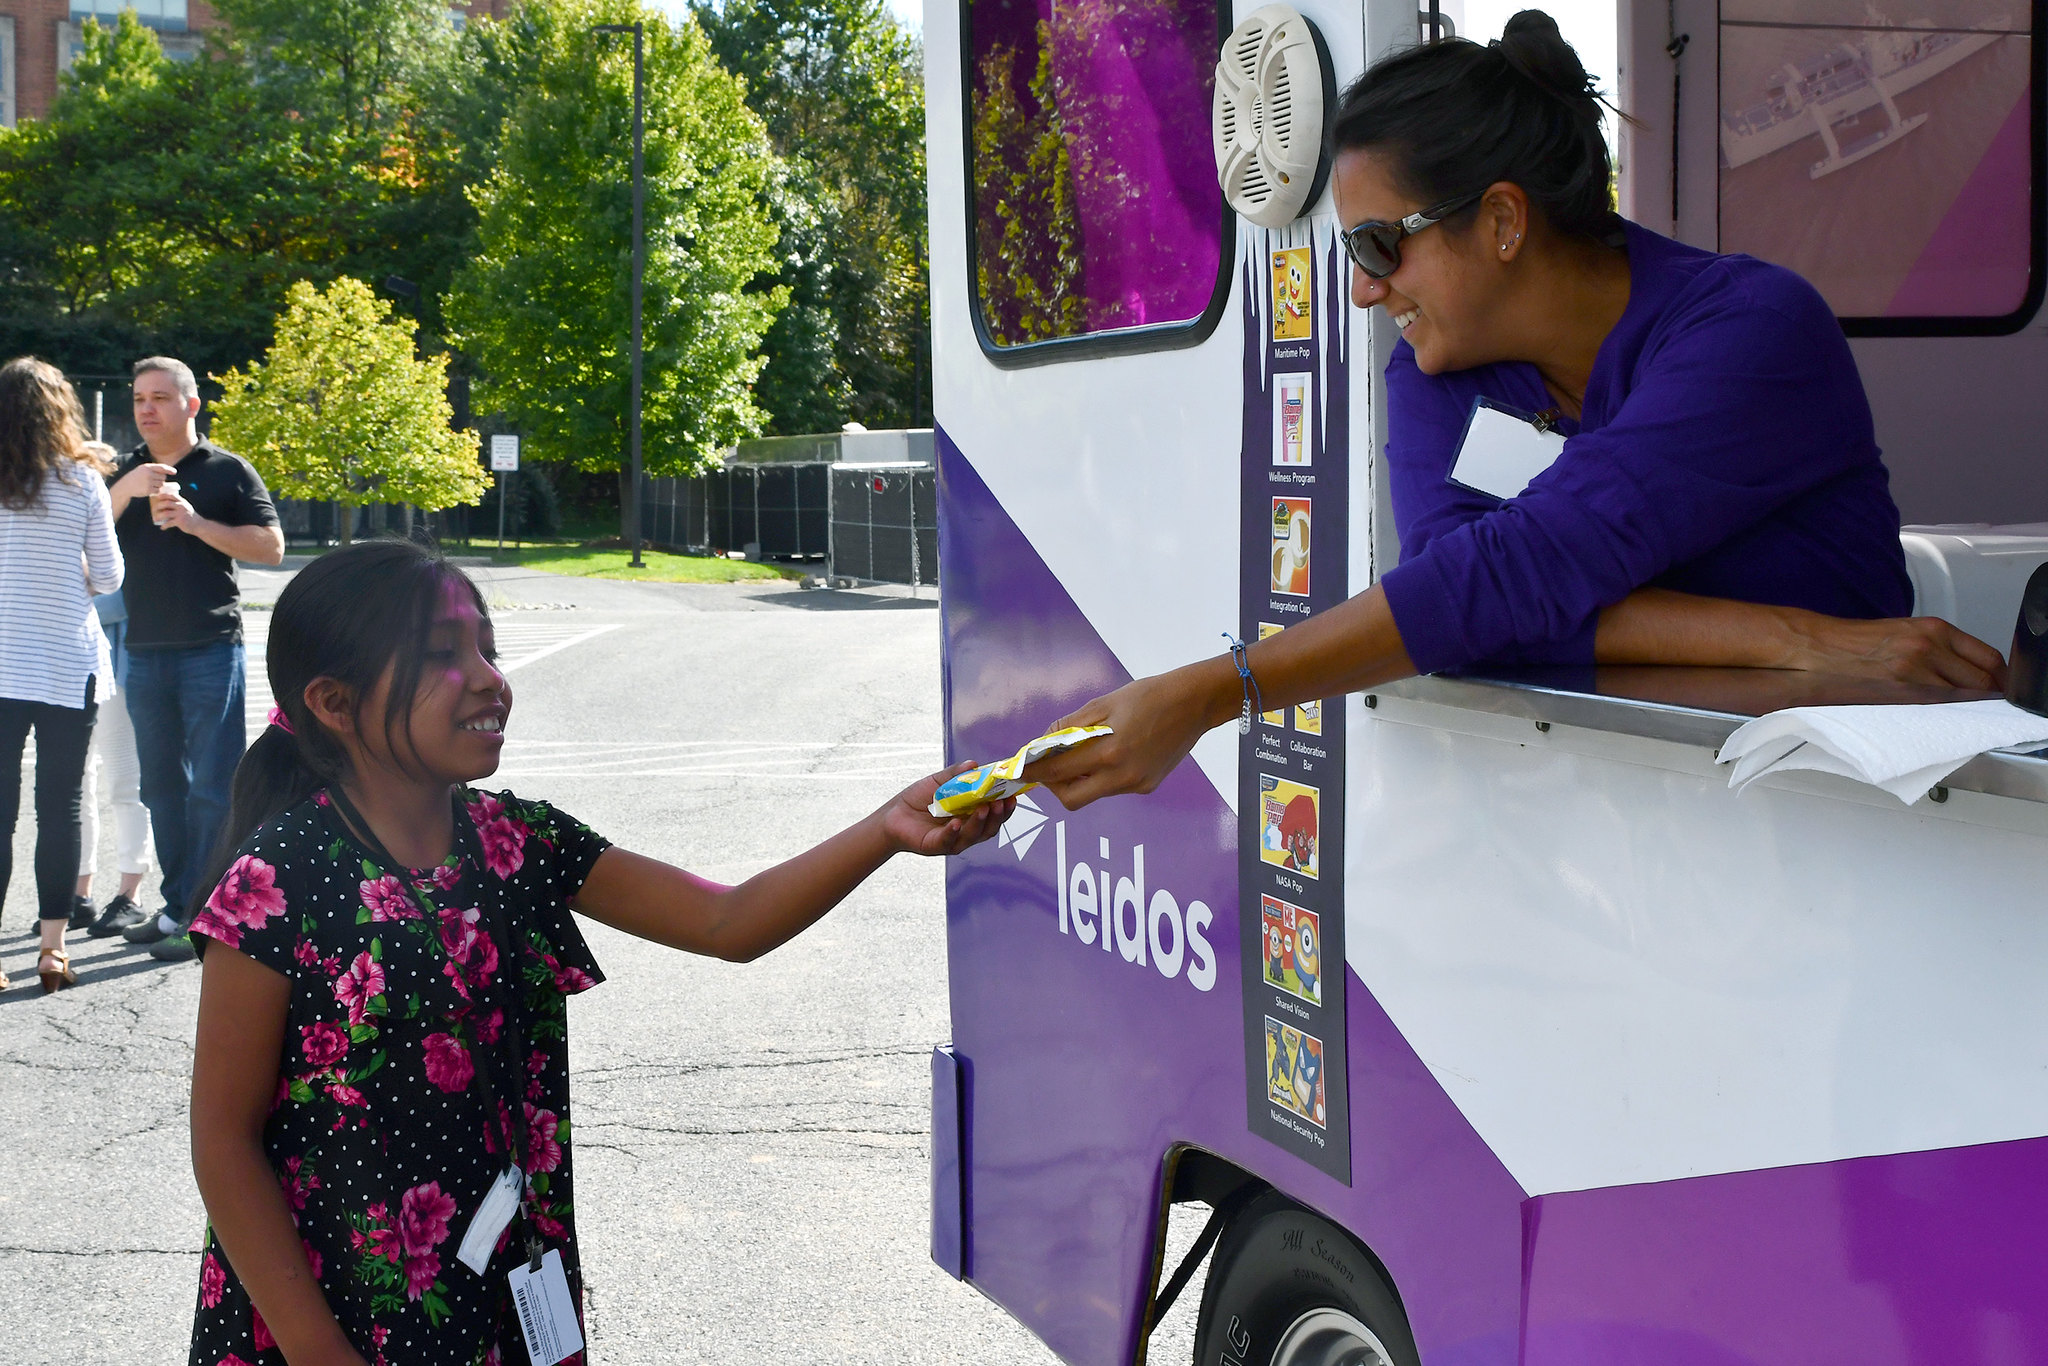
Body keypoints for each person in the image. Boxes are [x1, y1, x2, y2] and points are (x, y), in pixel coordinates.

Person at [1029, 12, 2008, 811]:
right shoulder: (1437, 367)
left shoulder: (1748, 331)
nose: (1365, 292)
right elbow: (1465, 596)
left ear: (1499, 221)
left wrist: (1213, 693)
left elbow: (1518, 572)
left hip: (1854, 808)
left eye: (1375, 248)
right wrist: (1789, 637)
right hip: (1632, 820)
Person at [184, 538, 1009, 1364]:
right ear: (333, 701)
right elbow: (223, 1138)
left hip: (506, 1292)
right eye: (441, 655)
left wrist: (887, 830)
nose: (487, 678)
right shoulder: (277, 882)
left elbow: (730, 922)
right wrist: (317, 1349)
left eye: (487, 648)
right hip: (328, 1317)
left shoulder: (517, 840)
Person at [104, 356, 284, 961]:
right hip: (145, 650)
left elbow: (271, 547)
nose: (146, 408)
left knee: (211, 788)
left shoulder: (226, 470)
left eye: (159, 397)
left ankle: (206, 913)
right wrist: (124, 489)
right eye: (138, 399)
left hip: (211, 645)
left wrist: (197, 522)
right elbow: (84, 533)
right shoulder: (124, 474)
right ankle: (178, 904)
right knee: (160, 788)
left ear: (191, 404)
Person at [0, 359, 124, 994]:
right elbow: (108, 578)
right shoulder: (82, 483)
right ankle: (51, 950)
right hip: (64, 665)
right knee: (61, 807)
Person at [76, 445, 154, 935]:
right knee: (74, 781)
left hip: (120, 650)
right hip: (70, 654)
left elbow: (110, 581)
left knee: (127, 778)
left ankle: (130, 891)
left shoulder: (120, 509)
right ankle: (77, 890)